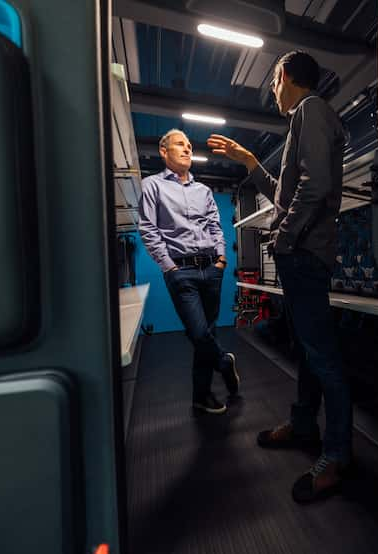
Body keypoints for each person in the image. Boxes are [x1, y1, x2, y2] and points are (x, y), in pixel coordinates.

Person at [208, 50, 349, 503]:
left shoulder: (312, 111)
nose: (271, 89)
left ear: (285, 75)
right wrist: (252, 162)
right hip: (302, 254)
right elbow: (287, 194)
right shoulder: (305, 119)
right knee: (310, 351)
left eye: (273, 79)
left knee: (323, 357)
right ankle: (305, 423)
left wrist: (284, 240)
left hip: (304, 255)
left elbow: (316, 187)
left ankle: (339, 455)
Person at [139, 129, 240, 415]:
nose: (187, 149)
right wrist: (168, 267)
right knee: (199, 332)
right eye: (180, 145)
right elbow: (148, 229)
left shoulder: (203, 191)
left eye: (189, 146)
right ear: (163, 150)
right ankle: (223, 362)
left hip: (212, 268)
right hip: (181, 272)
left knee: (205, 333)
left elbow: (215, 227)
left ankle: (201, 395)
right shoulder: (152, 186)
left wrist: (221, 259)